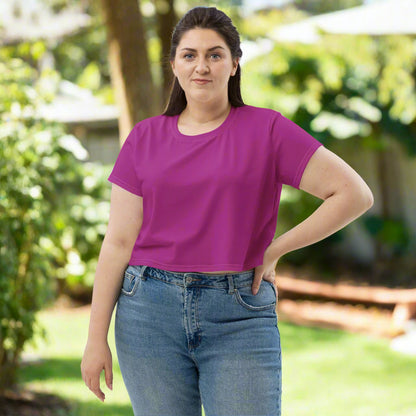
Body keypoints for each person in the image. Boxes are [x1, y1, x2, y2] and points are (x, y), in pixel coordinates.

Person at [81, 6, 374, 416]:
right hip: (148, 314)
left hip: (238, 312)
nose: (202, 66)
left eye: (215, 55)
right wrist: (96, 339)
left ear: (235, 64)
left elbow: (353, 193)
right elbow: (118, 241)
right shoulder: (144, 138)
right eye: (190, 55)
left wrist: (275, 249)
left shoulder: (267, 130)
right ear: (174, 66)